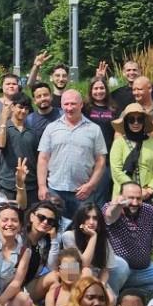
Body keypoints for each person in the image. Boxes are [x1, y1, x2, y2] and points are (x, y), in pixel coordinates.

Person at [39, 89, 109, 220]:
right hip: (55, 190)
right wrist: (42, 186)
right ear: (61, 105)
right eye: (66, 104)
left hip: (83, 192)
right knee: (53, 229)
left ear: (81, 104)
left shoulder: (94, 129)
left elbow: (100, 161)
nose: (69, 108)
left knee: (83, 230)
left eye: (73, 104)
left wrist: (91, 185)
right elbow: (43, 158)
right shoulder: (51, 128)